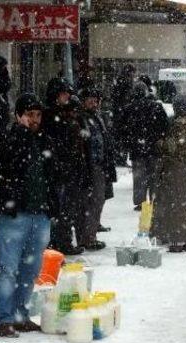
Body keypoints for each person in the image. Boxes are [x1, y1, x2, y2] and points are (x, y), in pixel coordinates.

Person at [0, 93, 58, 337]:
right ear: (18, 116)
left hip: (40, 213)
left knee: (31, 269)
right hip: (15, 214)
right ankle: (5, 319)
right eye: (29, 115)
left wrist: (52, 205)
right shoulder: (9, 138)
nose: (34, 120)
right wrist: (20, 134)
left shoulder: (45, 140)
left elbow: (54, 172)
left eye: (38, 115)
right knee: (8, 268)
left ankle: (21, 314)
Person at [151, 95, 186, 252]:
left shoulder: (180, 124)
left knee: (176, 205)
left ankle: (177, 240)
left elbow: (174, 147)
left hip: (178, 168)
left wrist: (160, 143)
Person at [44, 77, 86, 256]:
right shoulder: (51, 116)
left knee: (67, 208)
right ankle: (59, 242)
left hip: (67, 168)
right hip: (58, 169)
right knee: (60, 208)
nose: (67, 96)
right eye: (64, 93)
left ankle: (63, 240)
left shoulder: (64, 114)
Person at [76, 87, 116, 250]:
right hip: (90, 166)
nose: (94, 103)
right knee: (91, 201)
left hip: (99, 164)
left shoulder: (97, 118)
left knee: (97, 200)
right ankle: (87, 237)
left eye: (96, 100)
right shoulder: (82, 118)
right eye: (90, 99)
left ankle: (89, 235)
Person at [120, 82, 169, 210]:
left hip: (137, 150)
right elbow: (165, 126)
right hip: (154, 149)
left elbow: (122, 130)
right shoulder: (156, 107)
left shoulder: (129, 108)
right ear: (147, 92)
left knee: (139, 177)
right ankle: (154, 200)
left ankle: (140, 202)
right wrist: (159, 139)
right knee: (154, 176)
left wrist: (129, 144)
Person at [111, 64, 136, 165]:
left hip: (119, 113)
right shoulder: (126, 82)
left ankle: (119, 158)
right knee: (124, 138)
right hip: (122, 113)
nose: (134, 75)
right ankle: (121, 158)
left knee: (119, 137)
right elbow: (126, 98)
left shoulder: (119, 81)